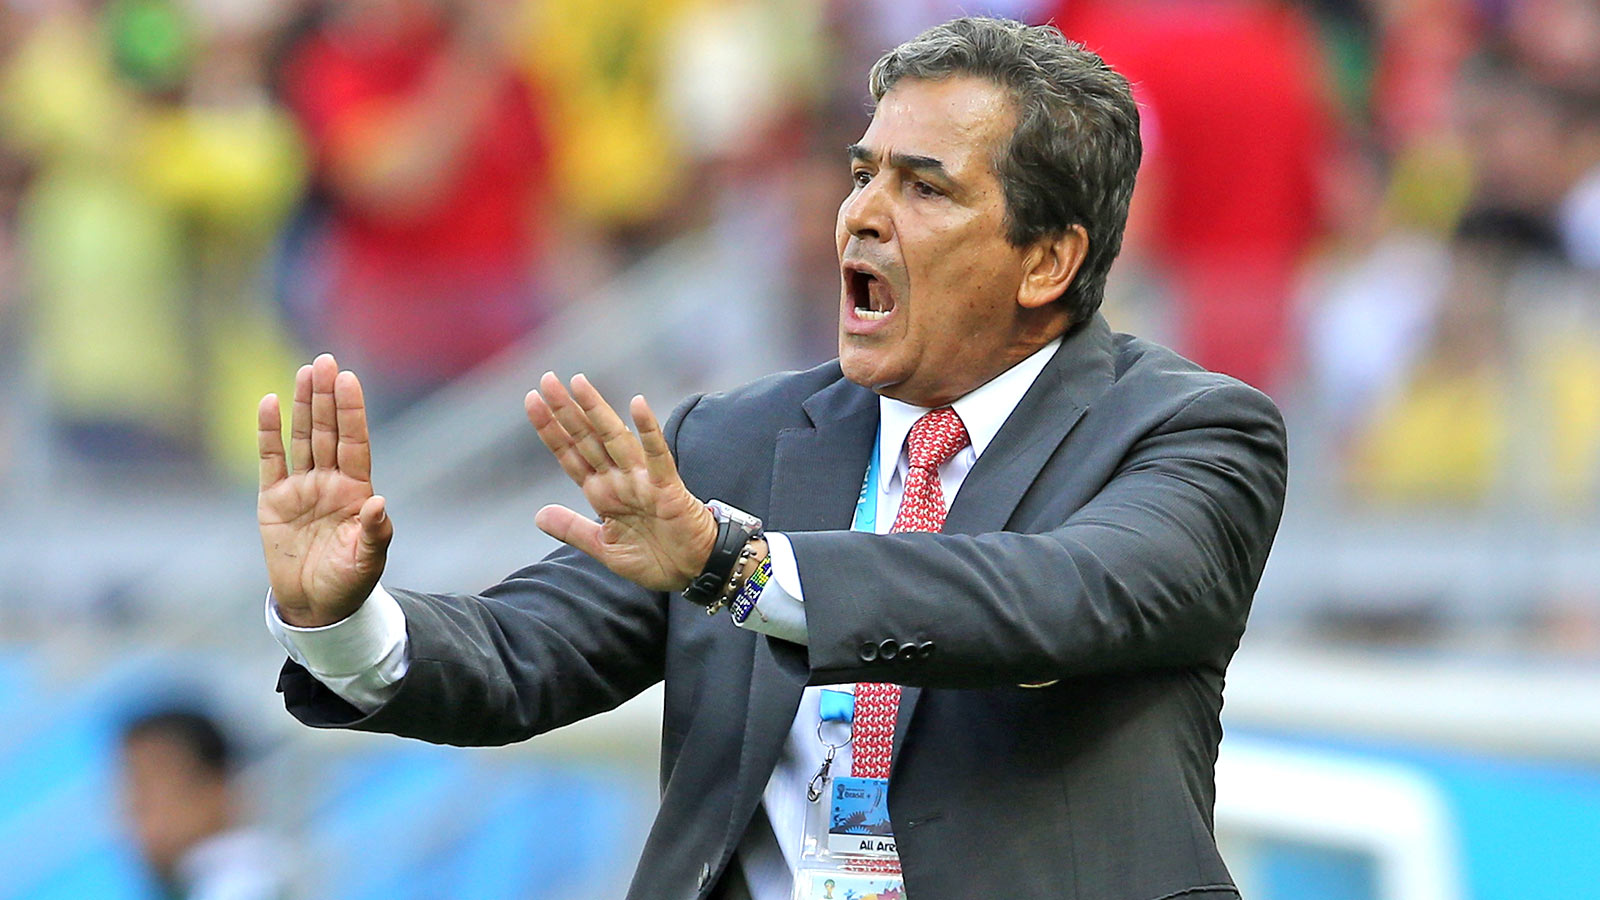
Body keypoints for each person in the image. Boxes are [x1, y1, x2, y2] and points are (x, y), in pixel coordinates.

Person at [257, 17, 1287, 900]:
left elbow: (1058, 600)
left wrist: (736, 567)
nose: (863, 213)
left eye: (923, 188)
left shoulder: (1190, 433)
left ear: (1049, 259)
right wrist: (341, 619)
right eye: (861, 173)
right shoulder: (733, 442)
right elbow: (525, 656)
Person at [120, 709, 290, 900]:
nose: (136, 803)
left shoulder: (243, 884)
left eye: (150, 781)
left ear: (218, 784)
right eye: (131, 783)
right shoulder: (197, 883)